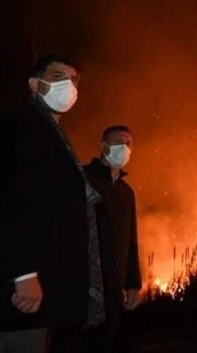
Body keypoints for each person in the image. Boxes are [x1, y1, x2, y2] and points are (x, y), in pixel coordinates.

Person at [0, 54, 106, 353]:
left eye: (74, 79)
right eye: (57, 76)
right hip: (20, 295)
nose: (69, 84)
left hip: (47, 290)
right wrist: (23, 274)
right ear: (33, 84)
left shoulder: (49, 131)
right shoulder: (16, 125)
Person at [82, 125, 141, 352]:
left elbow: (131, 241)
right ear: (103, 146)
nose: (124, 147)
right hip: (86, 282)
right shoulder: (83, 178)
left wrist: (133, 284)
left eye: (129, 143)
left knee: (109, 342)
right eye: (118, 141)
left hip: (114, 287)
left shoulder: (127, 192)